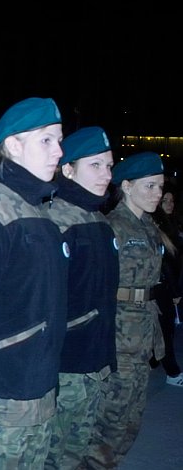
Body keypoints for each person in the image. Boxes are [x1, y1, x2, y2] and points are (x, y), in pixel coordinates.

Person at [0, 97, 69, 469]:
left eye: (59, 140)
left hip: (39, 390)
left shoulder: (40, 213)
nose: (58, 151)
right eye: (46, 140)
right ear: (13, 145)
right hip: (5, 399)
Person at [43, 126, 119, 469]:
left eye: (109, 166)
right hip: (67, 366)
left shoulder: (99, 221)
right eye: (95, 165)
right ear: (68, 169)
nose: (106, 174)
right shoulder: (55, 220)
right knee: (55, 455)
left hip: (94, 360)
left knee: (78, 450)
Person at [84, 151, 166, 468]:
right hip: (119, 334)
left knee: (132, 417)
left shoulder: (149, 227)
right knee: (112, 417)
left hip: (143, 331)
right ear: (127, 186)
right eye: (149, 186)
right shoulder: (112, 227)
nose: (157, 193)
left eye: (160, 186)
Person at [150, 181, 183, 387]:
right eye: (165, 201)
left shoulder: (173, 224)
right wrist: (175, 291)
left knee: (164, 327)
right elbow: (166, 262)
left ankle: (154, 359)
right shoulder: (157, 226)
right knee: (165, 329)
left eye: (171, 200)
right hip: (163, 286)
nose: (169, 204)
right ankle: (172, 371)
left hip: (169, 284)